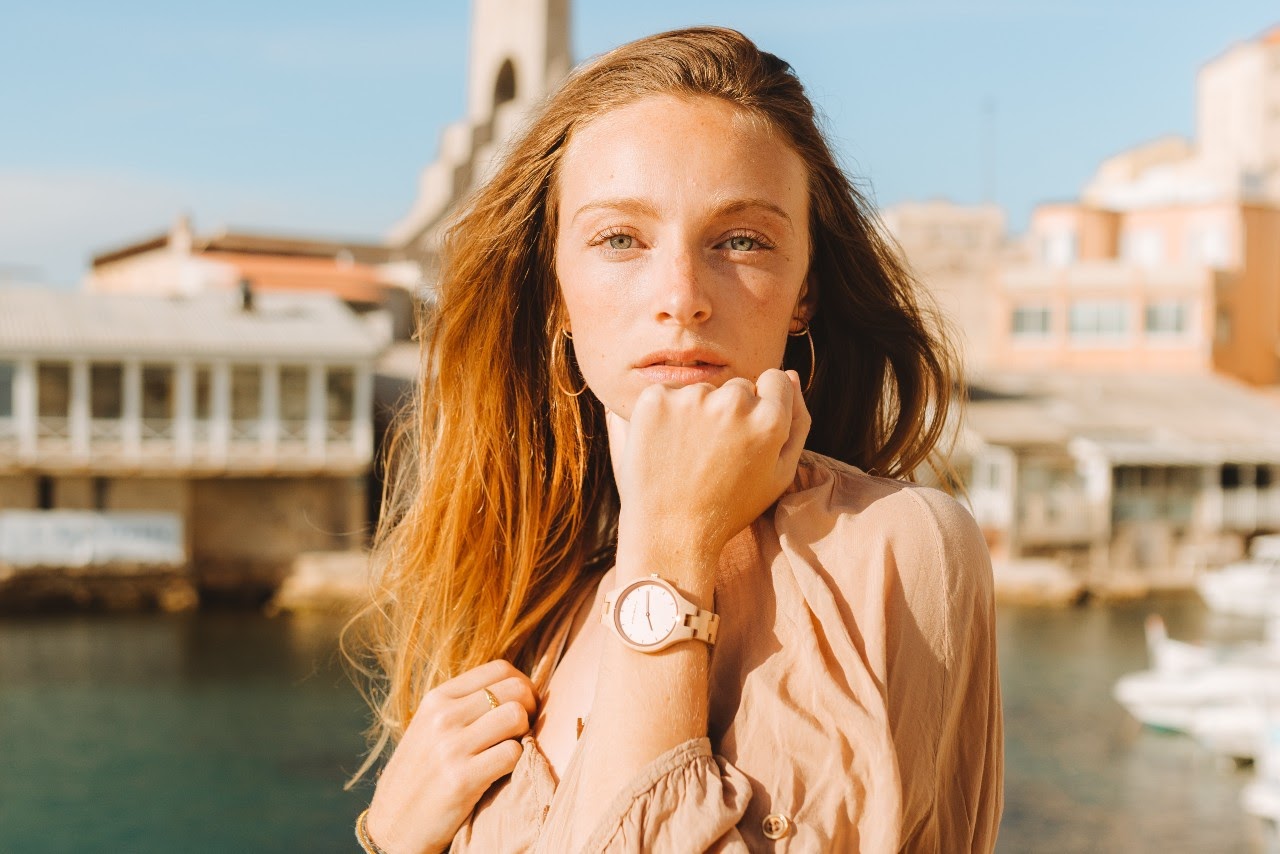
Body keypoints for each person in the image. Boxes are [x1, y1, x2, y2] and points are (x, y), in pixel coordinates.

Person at [347, 26, 1003, 853]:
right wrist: (393, 843)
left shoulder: (895, 553)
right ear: (556, 295)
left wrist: (669, 544)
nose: (682, 296)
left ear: (805, 291)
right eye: (620, 238)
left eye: (741, 240)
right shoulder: (534, 607)